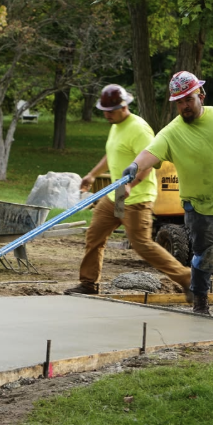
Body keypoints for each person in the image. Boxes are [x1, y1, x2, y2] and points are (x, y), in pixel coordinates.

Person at [122, 71, 213, 323]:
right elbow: (150, 152)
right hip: (200, 207)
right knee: (208, 253)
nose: (184, 106)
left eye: (188, 99)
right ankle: (200, 308)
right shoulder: (172, 132)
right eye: (178, 102)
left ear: (201, 95)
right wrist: (135, 165)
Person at [64, 84, 192, 299]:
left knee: (142, 245)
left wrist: (131, 185)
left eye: (110, 111)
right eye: (104, 111)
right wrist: (92, 175)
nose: (106, 115)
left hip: (137, 197)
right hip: (116, 196)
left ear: (124, 106)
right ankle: (88, 283)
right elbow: (112, 154)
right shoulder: (116, 124)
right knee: (94, 236)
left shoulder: (139, 129)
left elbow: (150, 161)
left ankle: (186, 277)